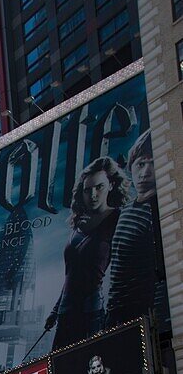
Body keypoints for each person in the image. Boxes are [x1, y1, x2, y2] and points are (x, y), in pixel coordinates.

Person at [44, 157, 128, 348]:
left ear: (111, 185)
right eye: (87, 190)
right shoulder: (78, 224)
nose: (93, 195)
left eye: (99, 187)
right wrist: (56, 311)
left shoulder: (118, 218)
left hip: (91, 314)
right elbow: (71, 275)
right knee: (61, 372)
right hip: (65, 314)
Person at [105, 130, 164, 327]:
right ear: (131, 167)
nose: (145, 172)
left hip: (145, 321)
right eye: (140, 163)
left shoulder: (158, 209)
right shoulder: (126, 210)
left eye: (152, 163)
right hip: (116, 317)